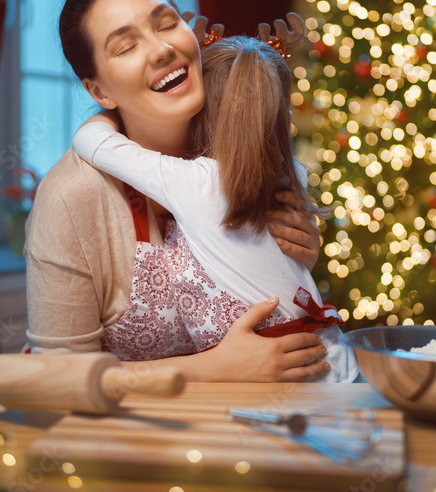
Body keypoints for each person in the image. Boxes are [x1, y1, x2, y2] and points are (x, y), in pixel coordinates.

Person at [25, 0, 331, 382]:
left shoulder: (242, 149)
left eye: (168, 23)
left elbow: (270, 288)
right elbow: (55, 378)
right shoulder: (73, 196)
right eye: (126, 46)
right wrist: (213, 369)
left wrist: (298, 255)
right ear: (99, 92)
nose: (161, 49)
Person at [72, 35, 358, 382]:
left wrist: (115, 104)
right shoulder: (291, 173)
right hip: (337, 364)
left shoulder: (195, 182)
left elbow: (92, 142)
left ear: (202, 111)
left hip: (298, 386)